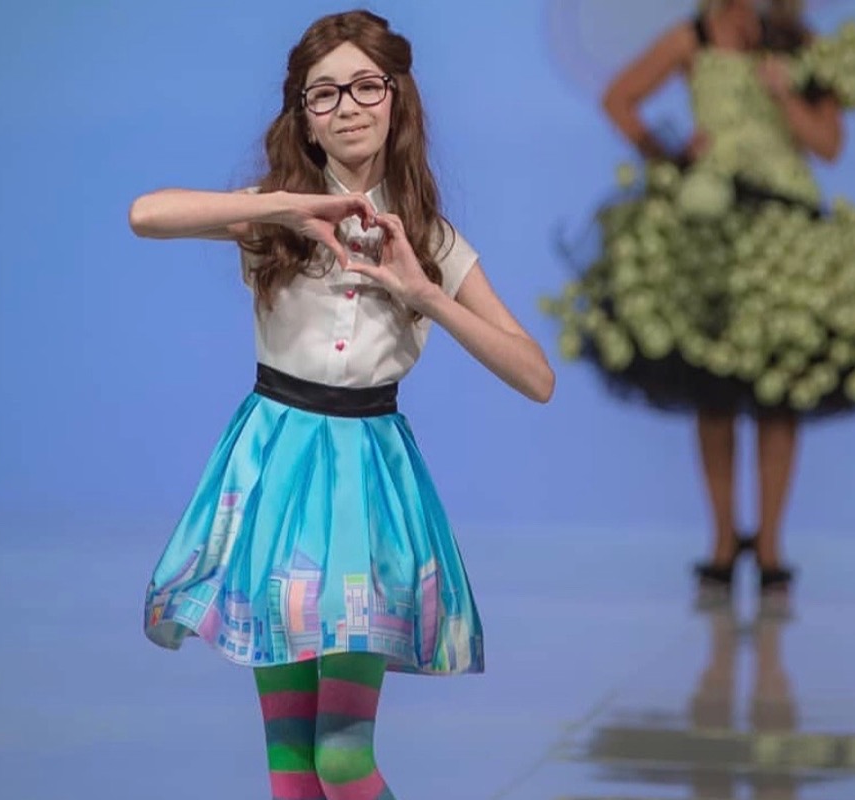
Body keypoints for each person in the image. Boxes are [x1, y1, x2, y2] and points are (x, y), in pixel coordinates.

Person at [129, 9, 553, 799]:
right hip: (273, 473)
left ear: (397, 100)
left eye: (365, 86)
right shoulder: (274, 217)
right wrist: (277, 207)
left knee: (343, 757)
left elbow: (536, 375)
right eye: (323, 94)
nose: (348, 106)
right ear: (304, 117)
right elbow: (145, 214)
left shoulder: (430, 239)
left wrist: (426, 294)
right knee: (290, 763)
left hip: (366, 486)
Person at [542, 0, 855, 600]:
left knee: (781, 396)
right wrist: (671, 157)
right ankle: (722, 540)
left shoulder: (800, 43)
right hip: (711, 230)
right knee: (712, 391)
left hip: (788, 231)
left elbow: (829, 144)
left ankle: (771, 545)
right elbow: (619, 98)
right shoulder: (695, 36)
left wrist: (785, 96)